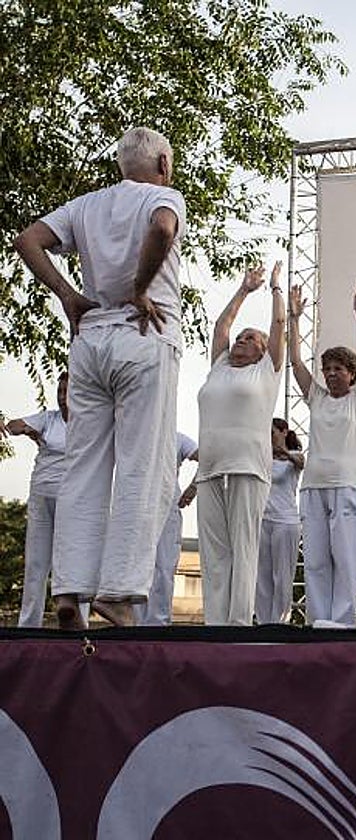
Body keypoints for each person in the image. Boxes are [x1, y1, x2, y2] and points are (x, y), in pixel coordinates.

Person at [14, 126, 186, 628]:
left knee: (83, 466)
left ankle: (70, 590)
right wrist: (139, 287)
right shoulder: (163, 194)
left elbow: (29, 240)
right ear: (162, 164)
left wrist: (68, 295)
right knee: (143, 464)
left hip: (89, 340)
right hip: (144, 334)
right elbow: (161, 229)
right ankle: (120, 591)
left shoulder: (86, 205)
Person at [194, 263, 285, 625]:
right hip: (210, 468)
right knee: (214, 551)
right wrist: (245, 289)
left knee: (244, 548)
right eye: (241, 337)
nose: (241, 341)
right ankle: (215, 622)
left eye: (251, 338)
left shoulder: (266, 371)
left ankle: (237, 623)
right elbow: (221, 327)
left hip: (248, 466)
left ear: (263, 351)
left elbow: (280, 328)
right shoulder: (219, 365)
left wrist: (276, 290)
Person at [289, 282, 356, 627]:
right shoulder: (317, 397)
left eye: (339, 368)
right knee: (318, 561)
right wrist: (294, 319)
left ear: (351, 374)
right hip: (313, 486)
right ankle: (318, 621)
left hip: (348, 486)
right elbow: (294, 360)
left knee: (346, 558)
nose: (332, 373)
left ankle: (344, 622)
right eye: (328, 368)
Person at [4, 372, 70, 627]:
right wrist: (10, 426)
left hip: (72, 501)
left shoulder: (90, 422)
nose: (63, 398)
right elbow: (20, 424)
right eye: (60, 391)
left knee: (71, 561)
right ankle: (28, 625)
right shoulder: (48, 419)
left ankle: (77, 621)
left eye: (68, 392)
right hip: (41, 497)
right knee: (36, 563)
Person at [138, 431, 200, 626]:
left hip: (167, 502)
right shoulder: (138, 432)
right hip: (138, 502)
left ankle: (158, 621)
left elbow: (205, 457)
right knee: (138, 564)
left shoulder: (178, 438)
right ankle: (137, 621)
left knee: (164, 565)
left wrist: (193, 488)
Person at [256, 418, 304, 624]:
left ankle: (280, 621)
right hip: (263, 520)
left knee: (282, 576)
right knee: (262, 578)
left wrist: (282, 453)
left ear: (284, 432)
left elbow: (301, 462)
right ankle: (264, 622)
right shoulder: (261, 457)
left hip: (285, 521)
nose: (270, 437)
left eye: (273, 432)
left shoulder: (293, 456)